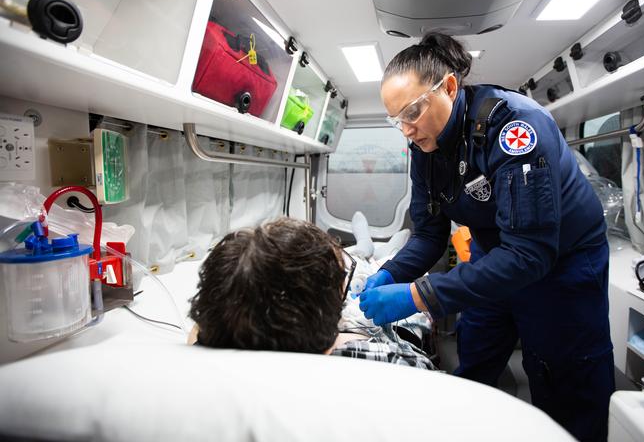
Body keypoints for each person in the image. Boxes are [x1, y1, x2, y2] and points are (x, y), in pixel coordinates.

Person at [358, 32, 614, 442]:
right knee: (474, 356)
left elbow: (530, 254)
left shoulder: (513, 126)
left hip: (562, 264)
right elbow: (429, 233)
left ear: (450, 87)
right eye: (396, 120)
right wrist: (391, 273)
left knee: (565, 379)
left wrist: (417, 295)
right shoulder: (424, 148)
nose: (406, 129)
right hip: (495, 253)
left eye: (412, 111)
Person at [188, 217, 434, 370]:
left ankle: (369, 249)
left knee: (368, 268)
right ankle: (383, 253)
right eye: (341, 285)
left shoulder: (212, 343)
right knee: (378, 269)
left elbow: (199, 329)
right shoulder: (396, 364)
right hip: (366, 327)